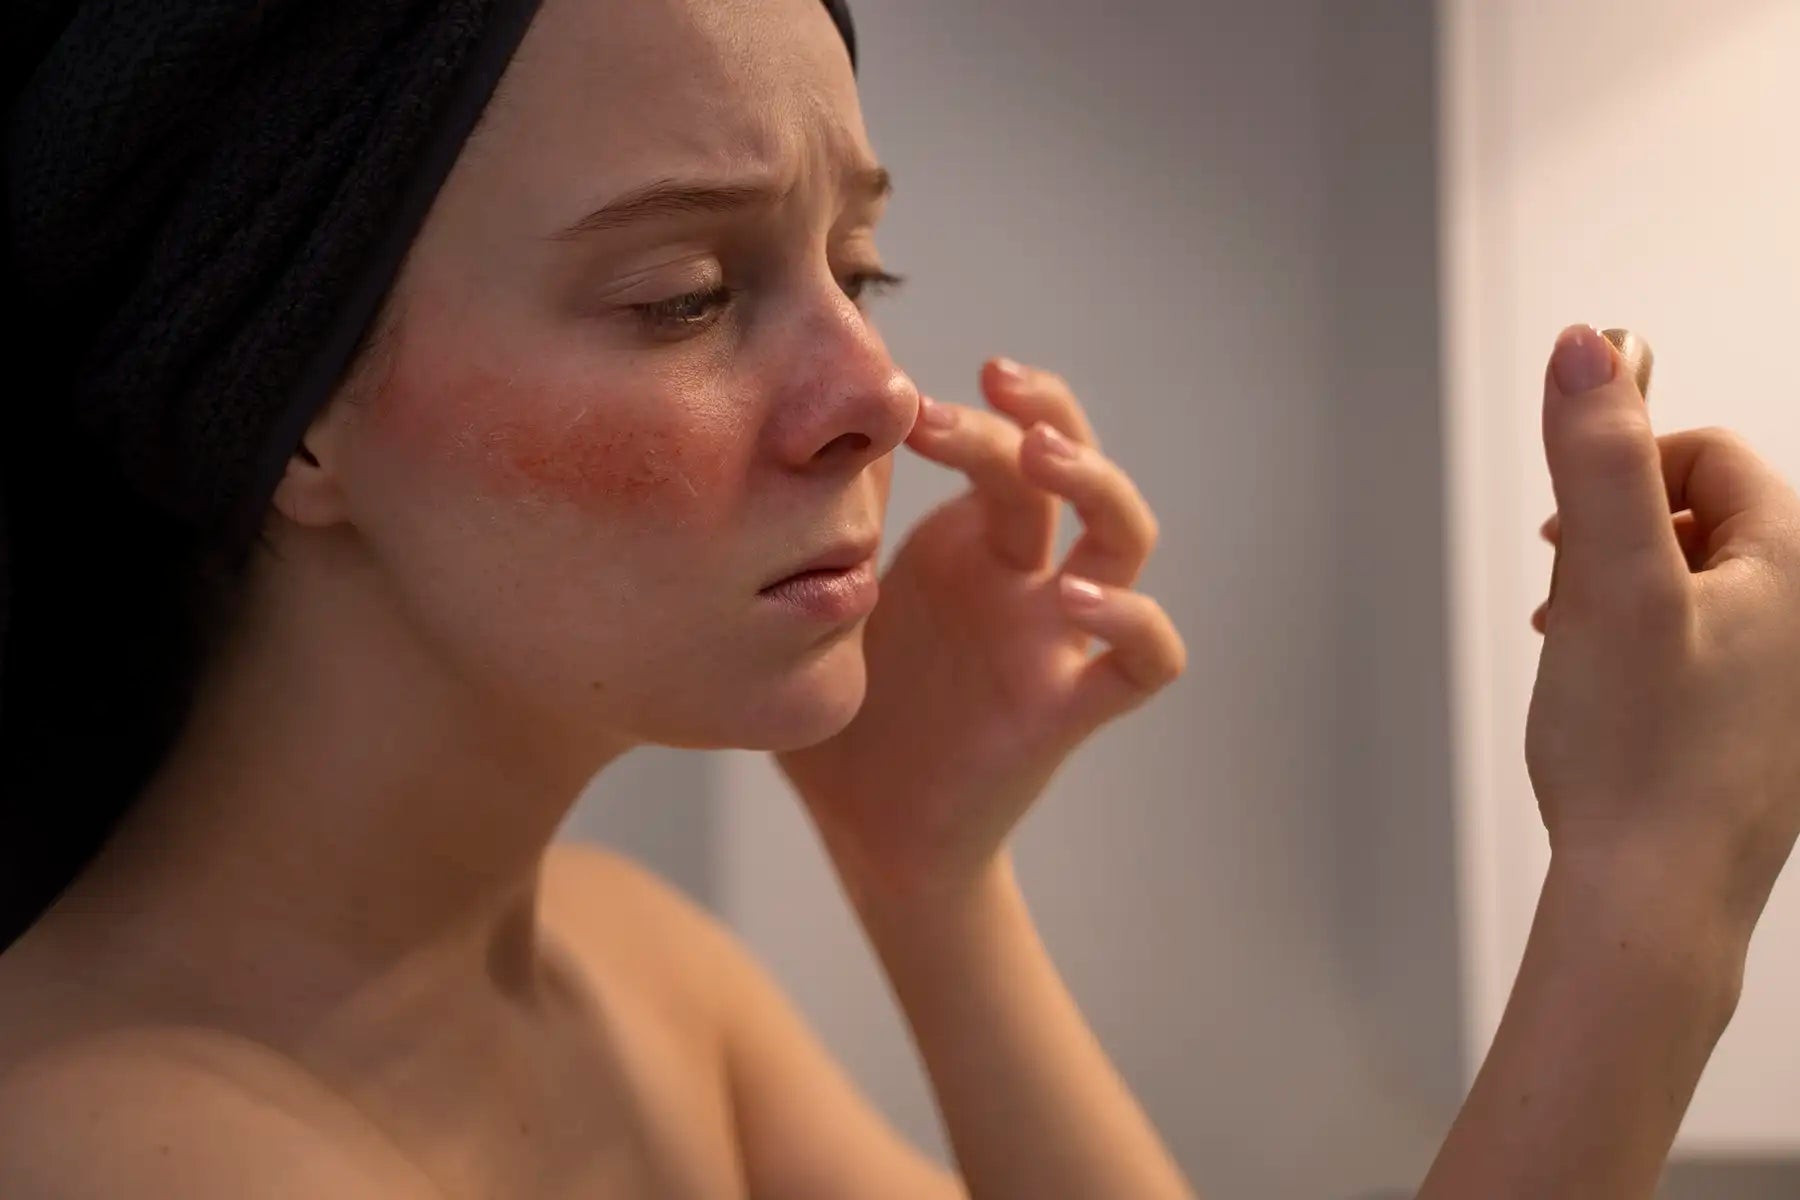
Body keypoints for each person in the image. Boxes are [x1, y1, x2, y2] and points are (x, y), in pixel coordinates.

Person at [0, 1, 1794, 1197]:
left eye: (863, 263)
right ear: (286, 408)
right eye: (686, 293)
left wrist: (927, 874)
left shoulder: (637, 979)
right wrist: (1657, 896)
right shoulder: (118, 1147)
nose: (875, 386)